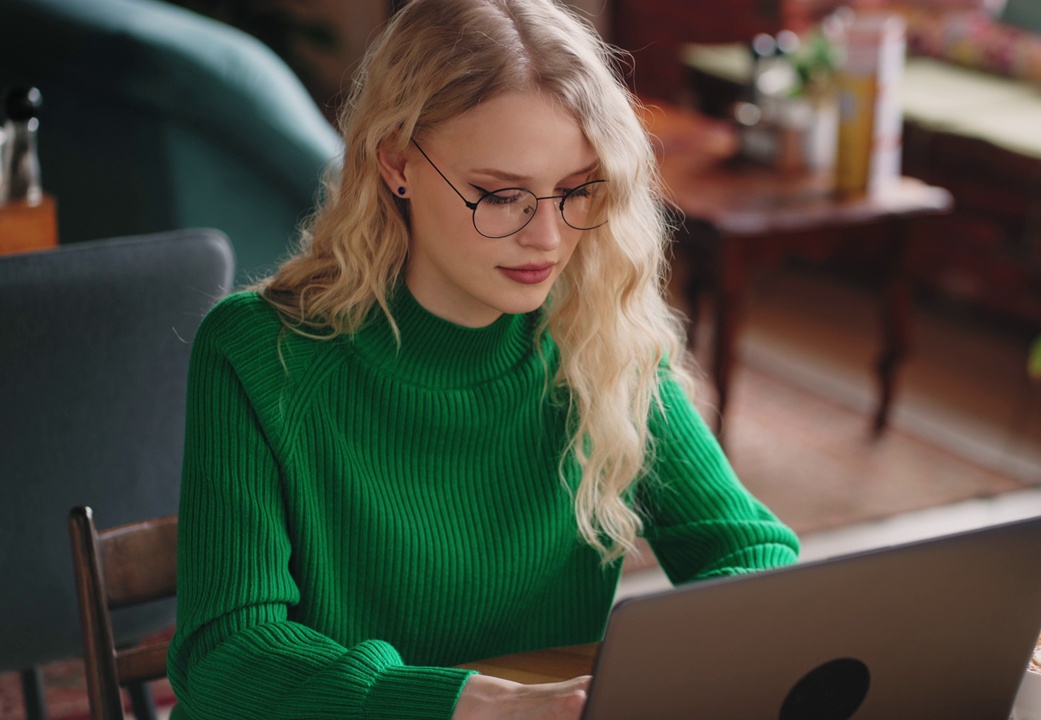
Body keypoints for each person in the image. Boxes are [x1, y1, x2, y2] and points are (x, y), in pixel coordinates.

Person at [167, 0, 801, 717]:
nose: (548, 238)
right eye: (501, 196)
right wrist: (462, 705)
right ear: (397, 164)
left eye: (576, 190)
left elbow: (751, 557)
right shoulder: (258, 352)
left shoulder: (599, 333)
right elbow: (227, 655)